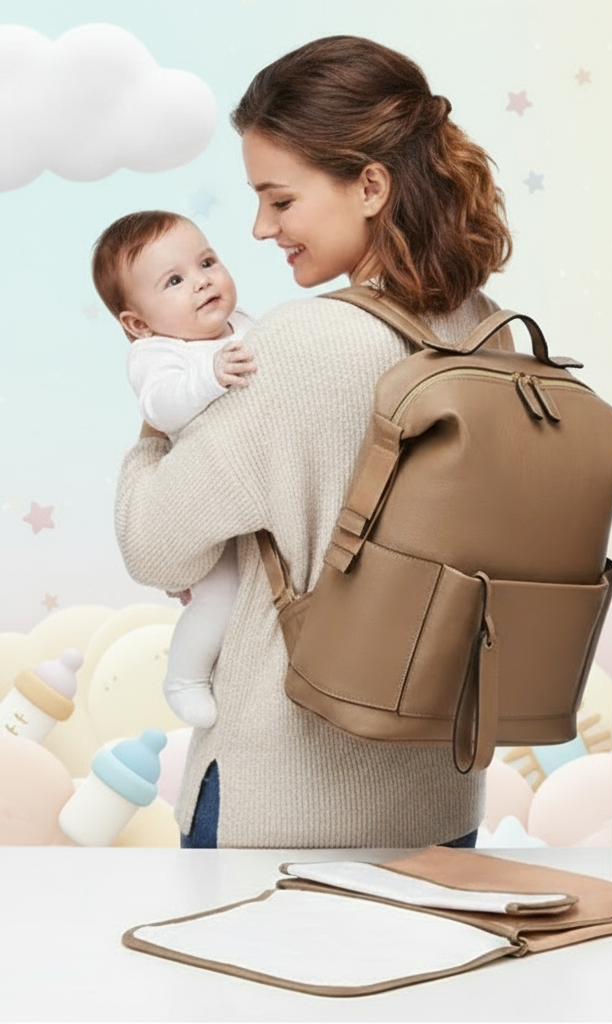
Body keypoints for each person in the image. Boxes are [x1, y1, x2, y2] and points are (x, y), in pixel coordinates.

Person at [114, 35, 513, 849]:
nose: (261, 228)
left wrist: (155, 425)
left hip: (281, 805)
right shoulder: (487, 329)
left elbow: (157, 549)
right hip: (441, 806)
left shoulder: (299, 348)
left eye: (281, 199)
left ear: (370, 185)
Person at [93, 212, 257, 730]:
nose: (203, 280)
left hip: (255, 489)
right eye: (175, 280)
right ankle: (184, 677)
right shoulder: (156, 354)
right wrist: (208, 374)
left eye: (207, 261)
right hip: (203, 498)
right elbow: (161, 410)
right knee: (218, 596)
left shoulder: (247, 324)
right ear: (138, 324)